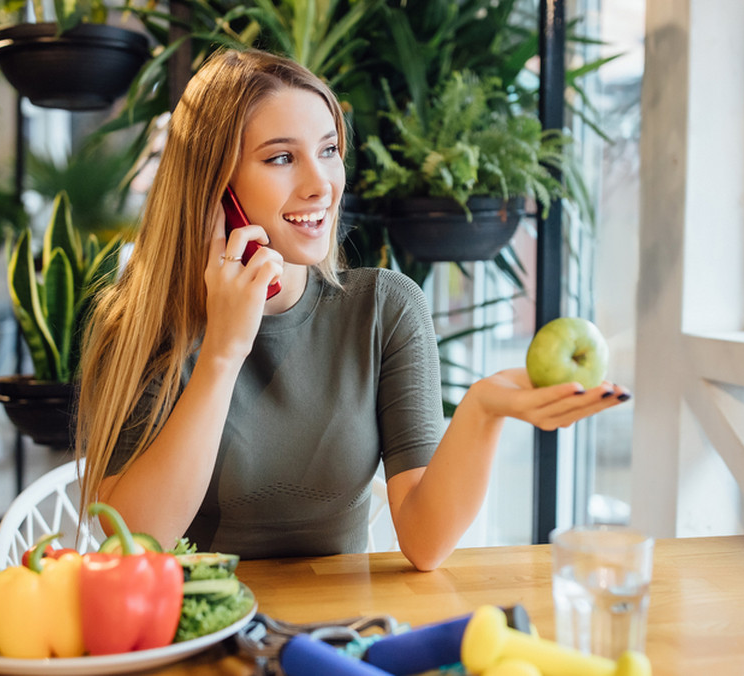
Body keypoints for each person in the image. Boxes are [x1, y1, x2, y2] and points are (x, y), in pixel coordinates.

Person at [75, 48, 629, 571]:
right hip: (195, 635)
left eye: (329, 150)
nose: (322, 185)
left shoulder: (385, 308)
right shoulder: (139, 322)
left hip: (337, 633)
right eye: (282, 157)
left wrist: (483, 411)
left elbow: (425, 542)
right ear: (215, 188)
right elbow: (139, 541)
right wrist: (223, 353)